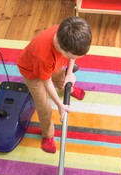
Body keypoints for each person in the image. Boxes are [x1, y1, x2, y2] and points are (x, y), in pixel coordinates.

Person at [17, 16, 92, 153]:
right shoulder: (43, 56)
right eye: (71, 56)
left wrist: (69, 73)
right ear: (58, 45)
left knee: (61, 77)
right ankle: (48, 135)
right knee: (44, 106)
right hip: (33, 73)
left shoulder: (66, 32)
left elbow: (71, 56)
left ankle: (65, 87)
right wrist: (59, 104)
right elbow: (46, 82)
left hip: (53, 64)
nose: (73, 59)